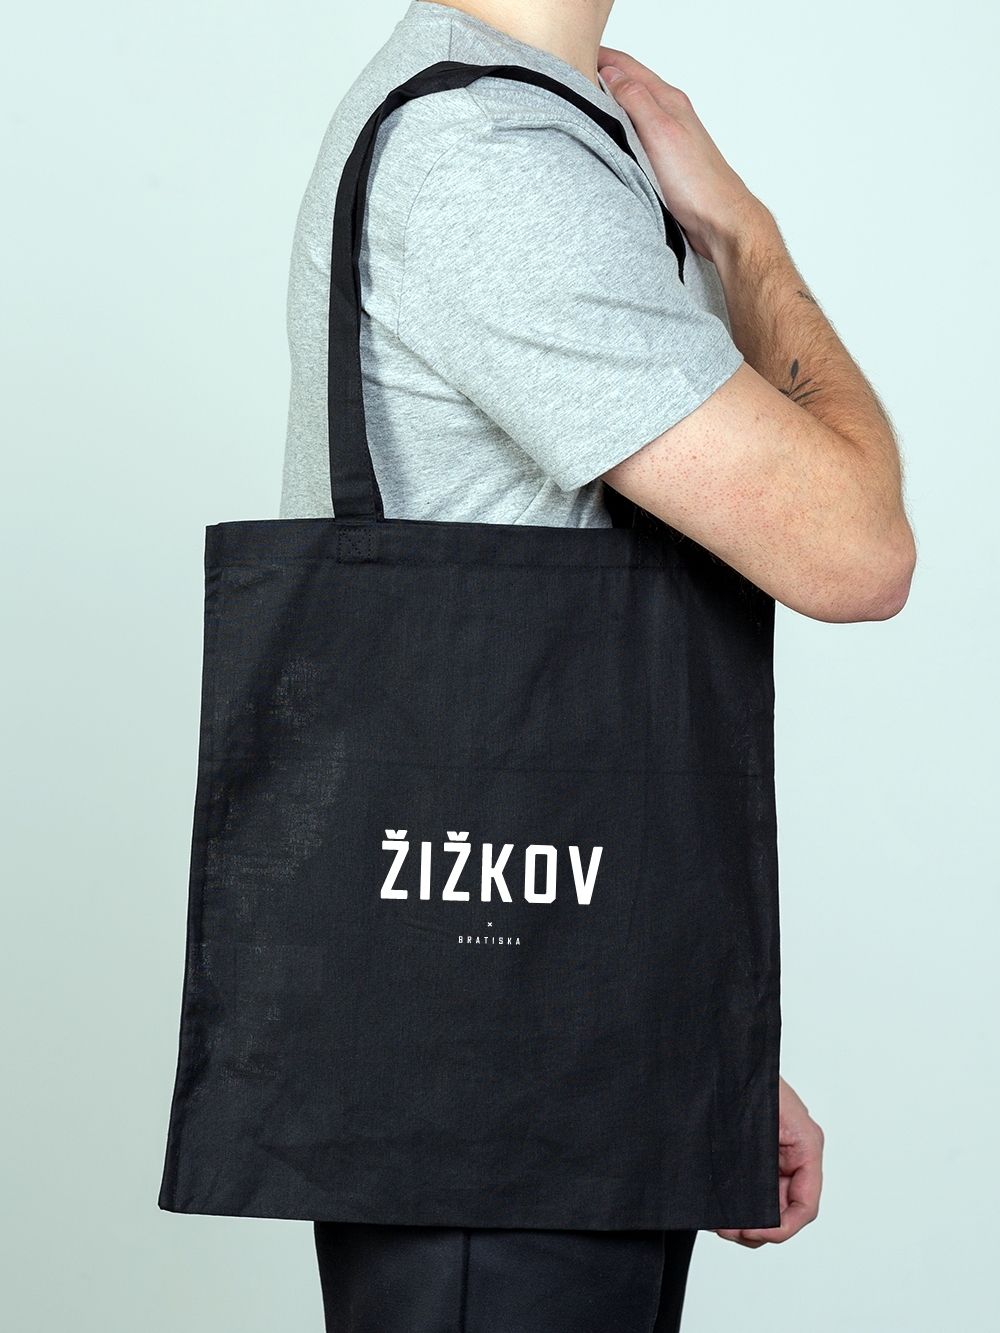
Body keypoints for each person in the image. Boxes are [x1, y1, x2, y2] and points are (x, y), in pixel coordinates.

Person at [280, 2, 915, 1328]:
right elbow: (856, 548)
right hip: (503, 1095)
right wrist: (744, 237)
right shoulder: (485, 153)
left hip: (550, 1047)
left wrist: (695, 1037)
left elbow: (592, 666)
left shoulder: (540, 131)